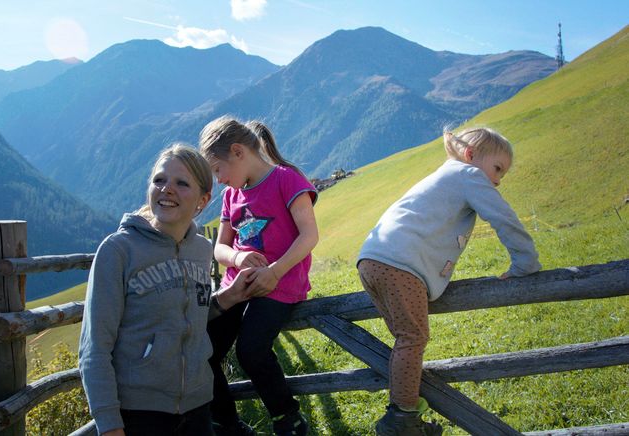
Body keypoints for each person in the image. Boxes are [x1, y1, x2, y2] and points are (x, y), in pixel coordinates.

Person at [357, 127, 542, 435]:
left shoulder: (446, 176)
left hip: (372, 260)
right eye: (497, 169)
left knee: (405, 341)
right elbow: (503, 217)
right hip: (399, 264)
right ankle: (400, 422)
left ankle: (411, 416)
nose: (497, 180)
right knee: (412, 340)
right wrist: (525, 262)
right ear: (470, 156)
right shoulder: (468, 175)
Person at [79, 144, 255, 436]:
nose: (167, 189)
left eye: (181, 183)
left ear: (203, 199)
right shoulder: (119, 251)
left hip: (199, 408)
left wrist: (230, 296)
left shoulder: (201, 249)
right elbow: (94, 348)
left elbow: (187, 313)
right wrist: (109, 425)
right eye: (159, 180)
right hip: (140, 415)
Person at [199, 116, 319, 436]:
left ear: (238, 152)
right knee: (203, 349)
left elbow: (309, 235)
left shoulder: (286, 179)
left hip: (279, 285)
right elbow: (220, 249)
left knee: (251, 350)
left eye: (218, 170)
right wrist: (237, 257)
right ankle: (226, 425)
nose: (219, 180)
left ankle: (287, 419)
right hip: (236, 287)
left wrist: (274, 272)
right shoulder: (231, 197)